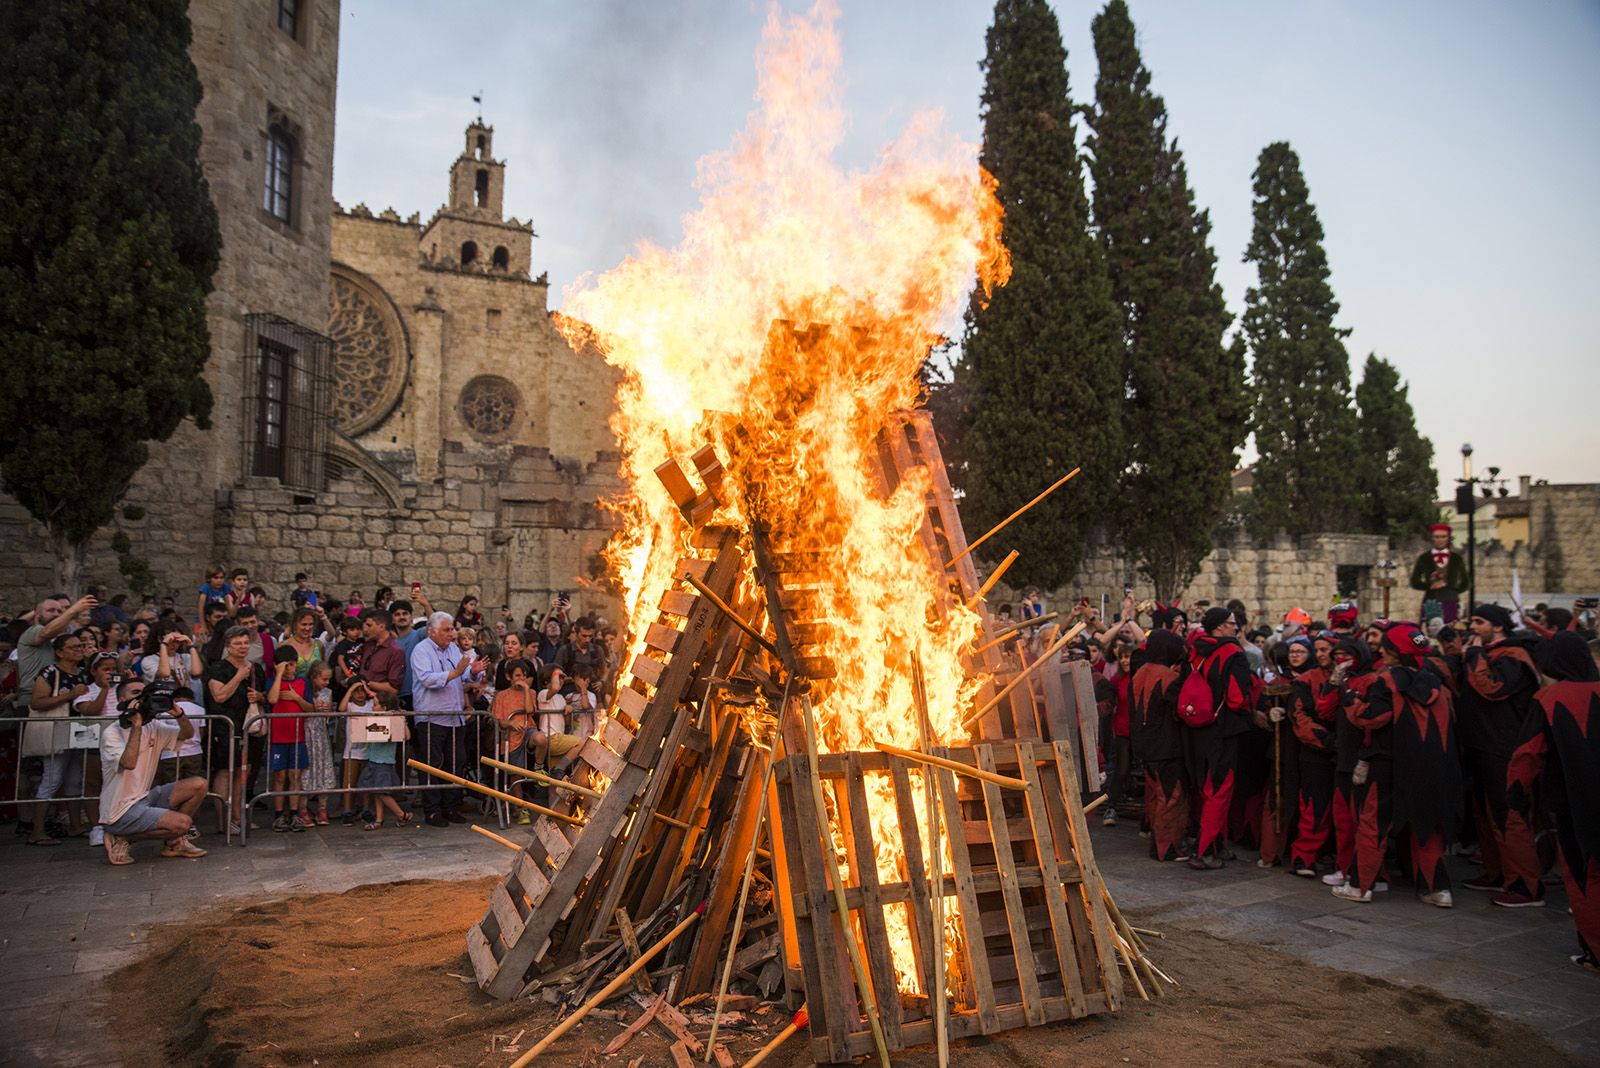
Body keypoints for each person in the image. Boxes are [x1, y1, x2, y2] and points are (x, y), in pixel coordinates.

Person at [1335, 624, 1459, 907]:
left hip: (1388, 762)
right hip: (1434, 765)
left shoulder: (1386, 682)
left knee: (1373, 824)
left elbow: (1371, 718)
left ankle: (1359, 886)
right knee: (1427, 827)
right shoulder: (1437, 684)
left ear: (1394, 652)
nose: (1380, 651)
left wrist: (1351, 703)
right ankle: (1437, 889)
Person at [1509, 632, 1600, 968]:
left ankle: (1595, 951)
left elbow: (1527, 755)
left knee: (1583, 875)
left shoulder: (1549, 698)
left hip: (1573, 800)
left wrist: (1516, 794)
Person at [1458, 603, 1544, 905]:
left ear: (1497, 626)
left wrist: (1474, 654)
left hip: (1503, 747)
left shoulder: (1513, 657)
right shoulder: (1488, 653)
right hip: (1481, 745)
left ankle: (1525, 885)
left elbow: (1491, 687)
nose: (1473, 627)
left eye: (1479, 622)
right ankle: (1495, 871)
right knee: (1486, 813)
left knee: (1510, 815)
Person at [98, 679, 208, 865]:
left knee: (199, 784)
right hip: (120, 810)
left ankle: (174, 842)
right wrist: (137, 727)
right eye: (135, 693)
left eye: (144, 693)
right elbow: (129, 763)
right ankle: (120, 835)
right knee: (183, 824)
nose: (141, 697)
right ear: (121, 699)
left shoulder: (154, 727)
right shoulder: (112, 733)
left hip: (145, 797)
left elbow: (187, 735)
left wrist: (178, 713)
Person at [1183, 607, 1258, 869]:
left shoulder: (1196, 650)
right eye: (1231, 623)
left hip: (1197, 727)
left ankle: (1217, 844)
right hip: (1223, 729)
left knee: (1207, 789)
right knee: (1219, 790)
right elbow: (1237, 698)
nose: (1235, 627)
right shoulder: (1233, 652)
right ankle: (1205, 851)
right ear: (1220, 626)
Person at [411, 612, 485, 827]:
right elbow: (426, 678)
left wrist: (472, 673)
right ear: (431, 632)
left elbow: (463, 677)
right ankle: (432, 811)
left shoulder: (453, 649)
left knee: (456, 762)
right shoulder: (421, 650)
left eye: (452, 628)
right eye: (447, 630)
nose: (452, 633)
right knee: (433, 765)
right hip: (431, 717)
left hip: (454, 717)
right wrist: (455, 673)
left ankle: (450, 806)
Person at [27, 631, 92, 844]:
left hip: (79, 730)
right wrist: (70, 695)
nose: (79, 651)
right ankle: (38, 831)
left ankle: (75, 825)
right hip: (57, 729)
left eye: (80, 647)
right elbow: (37, 702)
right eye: (74, 648)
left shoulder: (83, 673)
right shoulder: (49, 672)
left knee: (75, 779)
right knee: (52, 778)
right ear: (59, 652)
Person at [1130, 628, 1189, 861]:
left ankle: (1160, 845)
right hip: (1165, 747)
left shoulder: (1139, 672)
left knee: (1157, 797)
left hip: (1144, 748)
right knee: (1170, 798)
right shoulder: (1168, 677)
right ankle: (1167, 848)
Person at [204, 625, 267, 837]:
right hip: (225, 728)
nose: (242, 647)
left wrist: (259, 697)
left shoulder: (256, 668)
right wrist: (239, 676)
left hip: (249, 727)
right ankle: (223, 819)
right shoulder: (218, 668)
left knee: (244, 771)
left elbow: (264, 695)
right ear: (228, 646)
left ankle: (238, 817)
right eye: (237, 643)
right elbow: (219, 695)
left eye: (245, 642)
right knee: (224, 771)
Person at [1286, 636, 1338, 878]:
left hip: (1345, 752)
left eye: (1324, 649)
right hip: (1316, 753)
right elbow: (1300, 717)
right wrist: (1328, 742)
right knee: (1314, 807)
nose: (1319, 654)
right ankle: (1303, 857)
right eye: (1316, 650)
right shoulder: (1307, 681)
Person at [355, 689, 412, 830]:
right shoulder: (375, 719)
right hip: (374, 760)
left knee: (381, 792)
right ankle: (379, 819)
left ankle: (401, 814)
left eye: (375, 704)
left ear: (385, 707)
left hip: (384, 762)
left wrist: (402, 721)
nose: (372, 707)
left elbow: (407, 736)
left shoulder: (393, 720)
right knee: (377, 792)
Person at [1410, 523, 1471, 625]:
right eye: (1437, 537)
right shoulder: (1424, 558)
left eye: (1443, 537)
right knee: (1429, 629)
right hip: (1431, 600)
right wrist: (1430, 586)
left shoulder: (1457, 559)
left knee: (1452, 630)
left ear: (1448, 538)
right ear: (1432, 538)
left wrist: (1452, 589)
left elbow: (1466, 582)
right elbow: (1414, 582)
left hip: (1451, 600)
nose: (1440, 540)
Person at [301, 661, 337, 826]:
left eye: (328, 679)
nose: (326, 683)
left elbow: (328, 714)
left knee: (324, 769)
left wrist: (327, 710)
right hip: (306, 734)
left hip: (321, 735)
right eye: (324, 679)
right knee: (305, 771)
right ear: (314, 677)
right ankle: (303, 808)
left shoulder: (327, 692)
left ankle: (322, 808)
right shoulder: (305, 691)